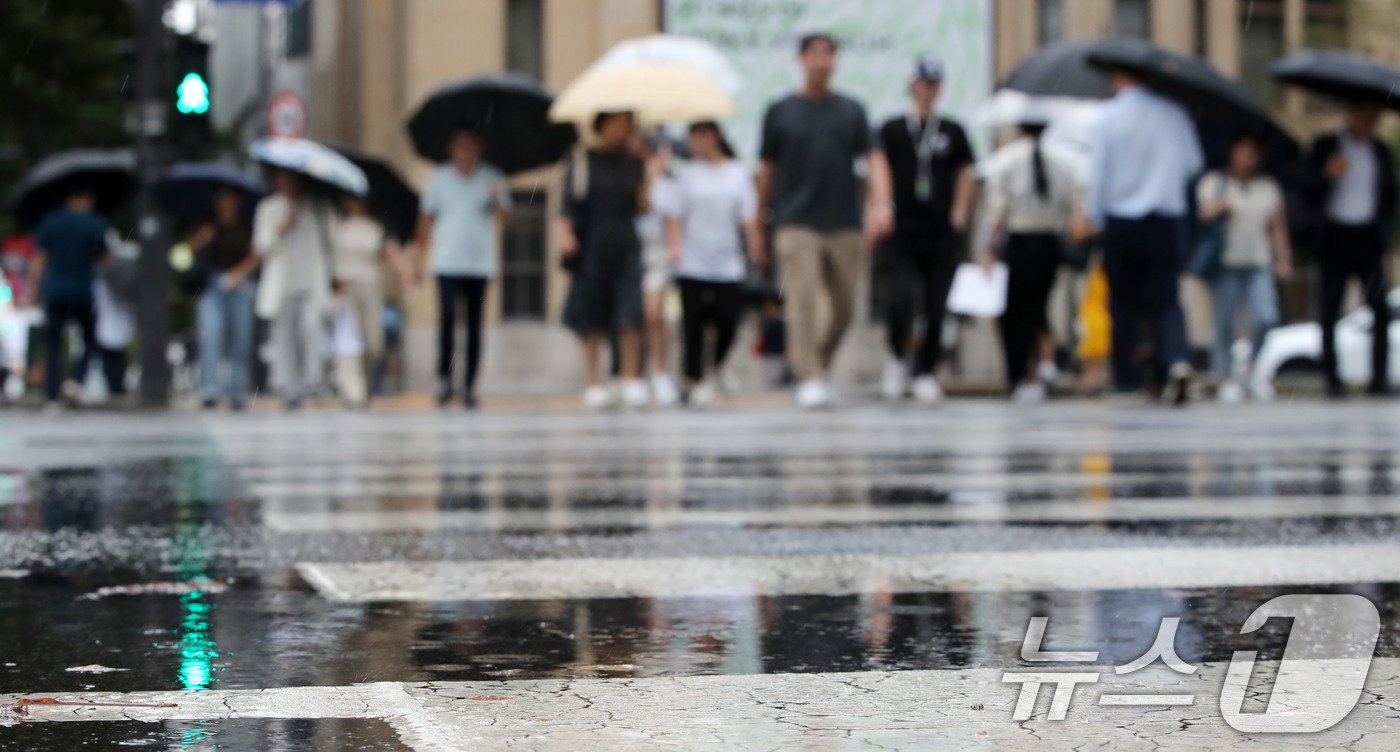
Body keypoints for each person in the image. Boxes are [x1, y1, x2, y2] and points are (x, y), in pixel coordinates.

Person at [757, 32, 893, 409]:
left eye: (829, 54)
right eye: (814, 53)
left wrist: (882, 204)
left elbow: (875, 159)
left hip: (844, 221)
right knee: (801, 299)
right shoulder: (780, 110)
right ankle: (810, 374)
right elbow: (767, 170)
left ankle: (817, 362)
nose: (822, 60)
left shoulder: (851, 110)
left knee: (847, 307)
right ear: (802, 60)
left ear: (835, 61)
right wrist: (758, 222)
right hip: (794, 220)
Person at [1086, 68, 1203, 404]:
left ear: (1121, 76)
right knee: (1167, 297)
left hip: (1121, 220)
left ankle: (1127, 378)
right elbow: (1192, 165)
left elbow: (1099, 171)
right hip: (1165, 218)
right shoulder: (1174, 114)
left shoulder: (1108, 116)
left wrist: (1093, 214)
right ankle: (1176, 360)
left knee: (1122, 301)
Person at [875, 57, 975, 404]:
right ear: (912, 85)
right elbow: (878, 167)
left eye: (935, 83)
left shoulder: (952, 130)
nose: (929, 89)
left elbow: (966, 171)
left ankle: (926, 370)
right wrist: (880, 207)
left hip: (939, 228)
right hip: (902, 228)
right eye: (923, 82)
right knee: (900, 298)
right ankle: (897, 358)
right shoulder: (893, 129)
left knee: (936, 303)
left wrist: (960, 212)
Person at [560, 111, 656, 410]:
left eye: (626, 123)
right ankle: (593, 382)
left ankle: (630, 379)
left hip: (625, 243)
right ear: (602, 125)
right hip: (590, 244)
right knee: (590, 317)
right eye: (616, 123)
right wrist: (566, 236)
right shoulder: (581, 160)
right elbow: (566, 207)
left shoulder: (634, 161)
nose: (621, 129)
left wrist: (650, 175)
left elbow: (642, 207)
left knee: (630, 312)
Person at [982, 116, 1081, 402]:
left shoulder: (1005, 161)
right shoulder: (1064, 164)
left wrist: (990, 251)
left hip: (1021, 240)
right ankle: (1036, 368)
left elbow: (996, 211)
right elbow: (1073, 209)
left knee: (1016, 310)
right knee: (1037, 306)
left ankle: (1022, 372)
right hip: (1048, 240)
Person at [664, 121, 763, 407]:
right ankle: (692, 378)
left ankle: (716, 366)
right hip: (692, 261)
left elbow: (748, 215)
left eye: (702, 136)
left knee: (728, 319)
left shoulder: (736, 174)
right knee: (693, 324)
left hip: (727, 261)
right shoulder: (687, 176)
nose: (697, 142)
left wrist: (754, 242)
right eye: (692, 136)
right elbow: (674, 215)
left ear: (716, 136)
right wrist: (674, 246)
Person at [415, 127, 513, 409]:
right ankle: (445, 380)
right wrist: (419, 258)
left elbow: (508, 220)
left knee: (474, 325)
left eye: (470, 146)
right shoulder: (439, 178)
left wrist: (497, 199)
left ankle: (469, 385)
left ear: (479, 148)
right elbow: (426, 219)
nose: (465, 152)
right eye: (460, 146)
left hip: (479, 264)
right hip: (447, 261)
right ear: (451, 149)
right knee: (446, 319)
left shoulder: (492, 177)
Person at [1305, 101, 1396, 398]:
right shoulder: (1328, 146)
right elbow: (1305, 187)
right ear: (1353, 115)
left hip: (1367, 238)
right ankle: (1333, 380)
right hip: (1335, 237)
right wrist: (1327, 174)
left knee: (1379, 309)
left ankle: (1378, 379)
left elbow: (1390, 194)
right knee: (1330, 310)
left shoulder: (1380, 152)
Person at [1196, 132, 1293, 403]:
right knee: (1224, 324)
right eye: (1244, 150)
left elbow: (1277, 226)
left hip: (1258, 262)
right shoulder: (1216, 182)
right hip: (1225, 263)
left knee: (1265, 317)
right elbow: (1200, 215)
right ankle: (1224, 377)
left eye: (1254, 152)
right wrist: (1220, 205)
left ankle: (1251, 370)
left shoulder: (1267, 187)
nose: (1249, 158)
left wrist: (1283, 259)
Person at [253, 168, 335, 410]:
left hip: (311, 283)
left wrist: (334, 276)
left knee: (311, 330)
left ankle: (312, 381)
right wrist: (281, 229)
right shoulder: (268, 208)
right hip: (281, 286)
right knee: (284, 338)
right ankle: (289, 388)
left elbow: (327, 244)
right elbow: (260, 247)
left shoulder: (317, 208)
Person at [26, 186, 109, 411]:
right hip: (82, 291)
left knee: (53, 344)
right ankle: (76, 380)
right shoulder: (95, 224)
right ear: (83, 199)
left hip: (55, 291)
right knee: (90, 340)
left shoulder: (50, 222)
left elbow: (40, 259)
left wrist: (32, 290)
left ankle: (51, 397)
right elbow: (105, 260)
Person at [333, 195, 411, 408]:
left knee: (374, 344)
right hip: (346, 288)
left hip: (370, 287)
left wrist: (406, 272)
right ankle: (352, 390)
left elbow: (392, 251)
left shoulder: (376, 227)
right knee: (349, 341)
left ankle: (363, 386)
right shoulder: (335, 225)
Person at [189, 186, 260, 411]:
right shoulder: (206, 223)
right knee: (211, 335)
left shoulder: (247, 225)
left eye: (230, 198)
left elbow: (257, 255)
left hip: (241, 284)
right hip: (212, 285)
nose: (226, 202)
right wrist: (201, 239)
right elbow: (184, 253)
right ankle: (209, 390)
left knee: (240, 340)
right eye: (222, 198)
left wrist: (238, 273)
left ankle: (237, 393)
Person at [632, 132, 681, 407]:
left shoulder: (666, 183)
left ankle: (661, 372)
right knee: (632, 318)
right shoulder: (629, 179)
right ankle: (634, 375)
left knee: (655, 314)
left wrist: (675, 247)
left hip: (655, 250)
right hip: (629, 250)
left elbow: (670, 218)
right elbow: (638, 206)